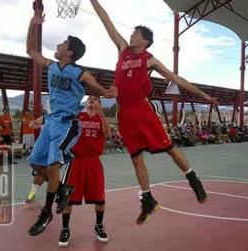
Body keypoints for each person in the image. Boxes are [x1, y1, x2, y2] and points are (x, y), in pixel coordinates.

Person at [90, 0, 217, 225]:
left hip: (142, 110)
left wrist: (203, 95)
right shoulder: (122, 49)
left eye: (135, 34)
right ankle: (148, 199)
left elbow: (176, 78)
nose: (131, 36)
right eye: (132, 33)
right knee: (136, 159)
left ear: (145, 40)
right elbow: (106, 21)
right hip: (125, 113)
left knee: (170, 148)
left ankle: (193, 179)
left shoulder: (149, 59)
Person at [25, 12, 117, 236]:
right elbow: (31, 51)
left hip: (68, 124)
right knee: (36, 164)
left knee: (53, 166)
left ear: (70, 52)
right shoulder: (53, 66)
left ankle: (46, 212)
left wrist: (108, 91)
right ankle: (63, 188)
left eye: (63, 43)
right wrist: (33, 23)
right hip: (52, 122)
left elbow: (98, 87)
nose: (58, 44)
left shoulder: (80, 73)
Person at [59, 96, 110, 247]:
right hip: (76, 161)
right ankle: (65, 229)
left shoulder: (101, 119)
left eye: (95, 100)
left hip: (93, 161)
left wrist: (100, 114)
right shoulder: (78, 116)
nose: (92, 101)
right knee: (68, 199)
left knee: (100, 199)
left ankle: (99, 225)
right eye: (89, 99)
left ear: (100, 104)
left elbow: (107, 134)